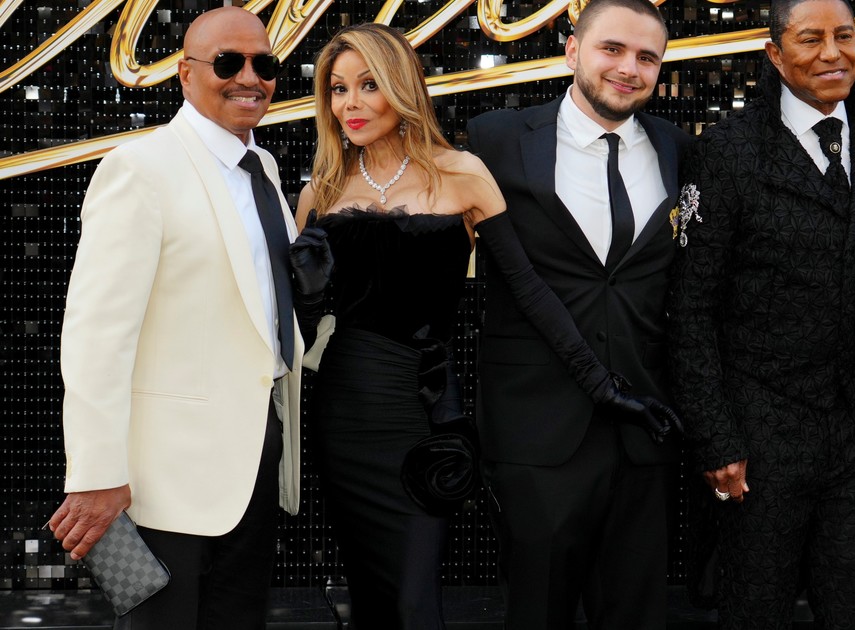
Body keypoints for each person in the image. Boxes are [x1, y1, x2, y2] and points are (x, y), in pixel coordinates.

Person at [296, 22, 678, 629]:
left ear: (401, 87)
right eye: (338, 89)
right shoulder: (320, 192)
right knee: (371, 596)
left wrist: (602, 386)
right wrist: (309, 292)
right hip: (343, 413)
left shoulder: (463, 173)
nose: (351, 104)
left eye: (369, 84)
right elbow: (304, 326)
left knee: (416, 602)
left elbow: (529, 290)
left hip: (425, 411)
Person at [666, 0, 855, 628]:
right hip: (758, 429)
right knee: (756, 608)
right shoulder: (728, 150)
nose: (832, 53)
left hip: (854, 426)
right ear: (775, 54)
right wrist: (717, 439)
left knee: (854, 606)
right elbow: (690, 309)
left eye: (844, 36)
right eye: (810, 39)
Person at [48, 7, 330, 628]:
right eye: (228, 62)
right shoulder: (141, 169)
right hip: (158, 481)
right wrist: (97, 474)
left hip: (254, 465)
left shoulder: (265, 168)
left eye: (264, 64)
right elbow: (96, 336)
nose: (249, 78)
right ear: (185, 74)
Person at [466, 0, 691, 627]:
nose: (629, 68)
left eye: (647, 57)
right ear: (572, 50)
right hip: (537, 426)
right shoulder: (495, 139)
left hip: (646, 427)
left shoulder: (678, 149)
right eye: (611, 49)